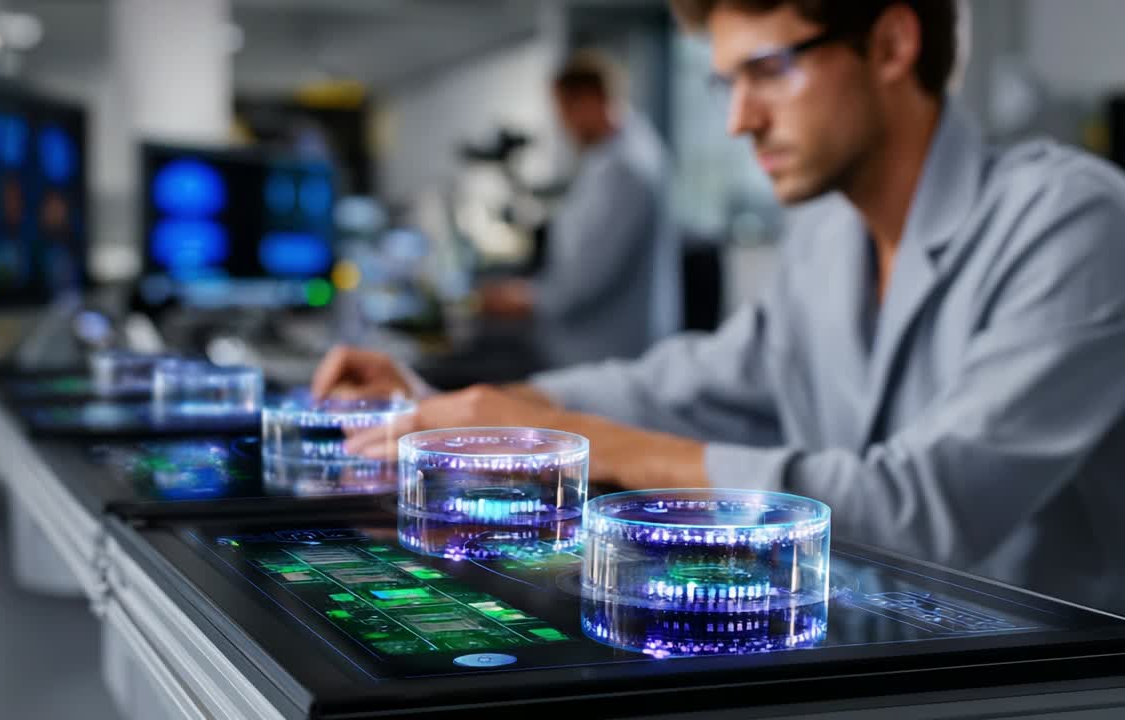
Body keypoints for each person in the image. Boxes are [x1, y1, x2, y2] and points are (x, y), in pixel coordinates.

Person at [312, 0, 1125, 614]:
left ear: (891, 45)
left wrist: (576, 445)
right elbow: (691, 382)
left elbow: (921, 511)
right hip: (875, 642)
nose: (739, 119)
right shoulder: (826, 238)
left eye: (769, 69)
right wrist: (468, 411)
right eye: (728, 81)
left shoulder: (1073, 220)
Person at [478, 50, 679, 366]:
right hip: (591, 345)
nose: (562, 124)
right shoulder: (607, 160)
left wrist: (524, 298)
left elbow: (587, 279)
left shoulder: (625, 171)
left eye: (564, 109)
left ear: (590, 100)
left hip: (607, 349)